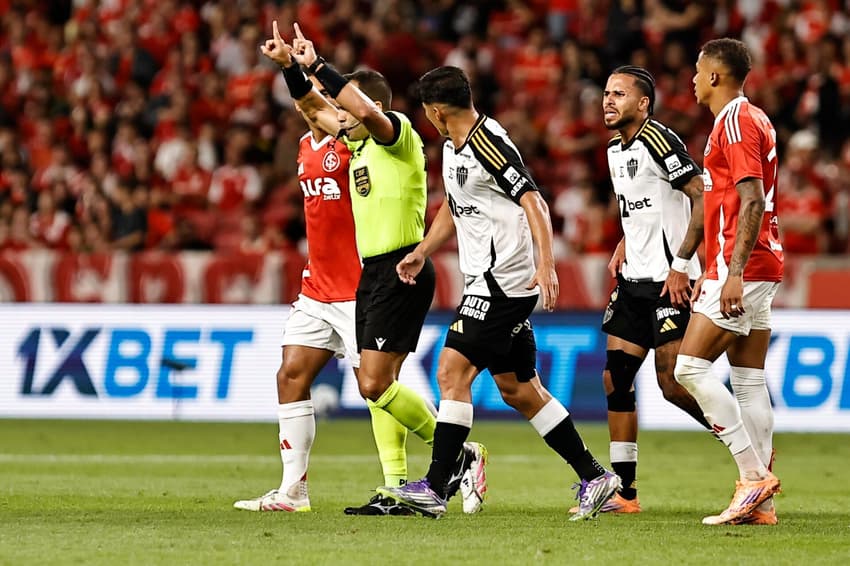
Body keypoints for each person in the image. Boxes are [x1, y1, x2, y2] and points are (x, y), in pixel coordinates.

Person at [258, 22, 487, 514]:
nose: (333, 113)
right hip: (336, 283)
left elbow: (349, 108)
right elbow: (315, 107)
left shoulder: (387, 136)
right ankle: (295, 491)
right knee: (312, 376)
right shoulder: (335, 143)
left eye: (343, 105)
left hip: (379, 275)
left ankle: (443, 463)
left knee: (376, 386)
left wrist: (317, 66)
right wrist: (291, 70)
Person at [377, 66, 621, 520]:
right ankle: (595, 476)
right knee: (519, 389)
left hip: (501, 283)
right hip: (487, 281)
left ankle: (434, 487)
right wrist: (423, 251)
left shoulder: (487, 143)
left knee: (452, 373)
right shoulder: (453, 148)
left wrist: (546, 263)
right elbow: (457, 206)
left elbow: (534, 200)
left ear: (434, 110)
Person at [580, 65, 711, 514]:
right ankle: (625, 493)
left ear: (643, 104)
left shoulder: (660, 140)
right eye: (605, 92)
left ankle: (745, 448)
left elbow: (701, 197)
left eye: (618, 93)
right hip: (634, 280)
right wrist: (623, 242)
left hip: (668, 283)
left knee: (672, 384)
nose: (607, 100)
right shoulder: (616, 148)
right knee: (615, 378)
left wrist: (680, 265)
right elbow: (646, 208)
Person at [674, 37, 782, 525]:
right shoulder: (749, 118)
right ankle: (762, 504)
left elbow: (752, 199)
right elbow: (724, 204)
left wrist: (731, 272)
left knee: (688, 369)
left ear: (715, 76)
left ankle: (753, 478)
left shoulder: (736, 122)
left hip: (746, 265)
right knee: (748, 379)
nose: (693, 80)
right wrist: (709, 267)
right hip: (755, 263)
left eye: (698, 72)